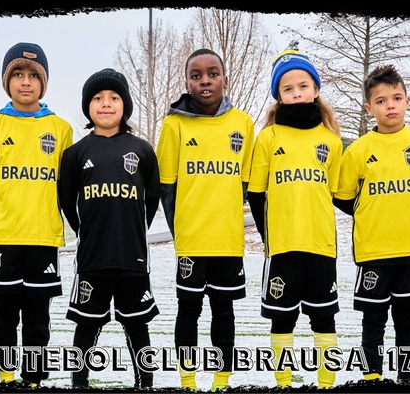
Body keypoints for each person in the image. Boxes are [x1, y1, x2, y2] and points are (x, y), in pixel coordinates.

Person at [332, 64, 410, 383]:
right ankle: (372, 379)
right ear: (368, 107)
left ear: (407, 101)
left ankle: (407, 379)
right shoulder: (359, 150)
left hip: (409, 251)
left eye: (397, 98)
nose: (390, 106)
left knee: (406, 323)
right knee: (373, 323)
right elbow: (342, 197)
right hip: (373, 251)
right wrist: (369, 212)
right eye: (381, 100)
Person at [0, 42, 72, 387]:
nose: (26, 82)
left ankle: (33, 380)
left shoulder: (60, 128)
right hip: (3, 238)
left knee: (37, 318)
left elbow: (65, 187)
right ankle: (5, 377)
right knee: (3, 316)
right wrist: (2, 216)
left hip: (43, 238)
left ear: (44, 82)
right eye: (17, 74)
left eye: (34, 75)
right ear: (7, 80)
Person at [155, 48, 255, 391]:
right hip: (192, 242)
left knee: (224, 312)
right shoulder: (174, 124)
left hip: (227, 241)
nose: (205, 81)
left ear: (225, 78)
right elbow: (167, 189)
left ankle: (221, 381)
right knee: (188, 311)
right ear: (187, 82)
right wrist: (181, 231)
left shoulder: (242, 123)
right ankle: (187, 381)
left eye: (213, 73)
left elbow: (244, 186)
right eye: (196, 76)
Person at [246, 46, 342, 389]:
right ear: (279, 96)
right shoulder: (268, 138)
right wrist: (269, 237)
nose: (297, 92)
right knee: (282, 322)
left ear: (315, 89)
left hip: (321, 247)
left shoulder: (331, 141)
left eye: (303, 86)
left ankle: (327, 385)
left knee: (324, 321)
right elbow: (256, 194)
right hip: (283, 248)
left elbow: (335, 194)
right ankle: (284, 384)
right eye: (288, 88)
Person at [58, 68, 160, 389]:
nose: (106, 104)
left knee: (138, 326)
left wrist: (132, 230)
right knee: (86, 327)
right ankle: (79, 383)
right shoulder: (76, 153)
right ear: (88, 106)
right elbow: (66, 201)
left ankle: (145, 383)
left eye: (114, 98)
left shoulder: (142, 150)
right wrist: (85, 231)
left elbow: (151, 199)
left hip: (132, 258)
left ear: (124, 105)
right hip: (93, 258)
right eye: (98, 98)